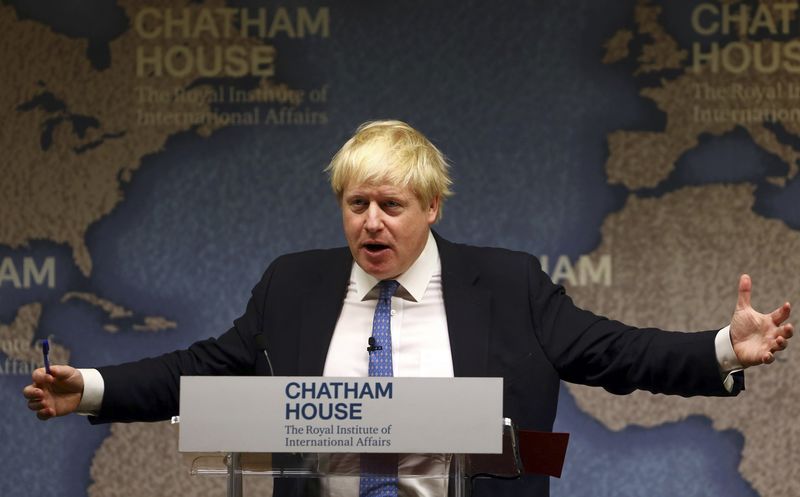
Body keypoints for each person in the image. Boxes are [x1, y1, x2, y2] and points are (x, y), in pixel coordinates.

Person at [24, 120, 793, 497]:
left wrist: (725, 346)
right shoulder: (293, 284)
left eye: (390, 203)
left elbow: (617, 352)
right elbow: (202, 369)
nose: (370, 221)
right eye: (355, 203)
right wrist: (89, 385)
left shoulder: (511, 283)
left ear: (430, 205)